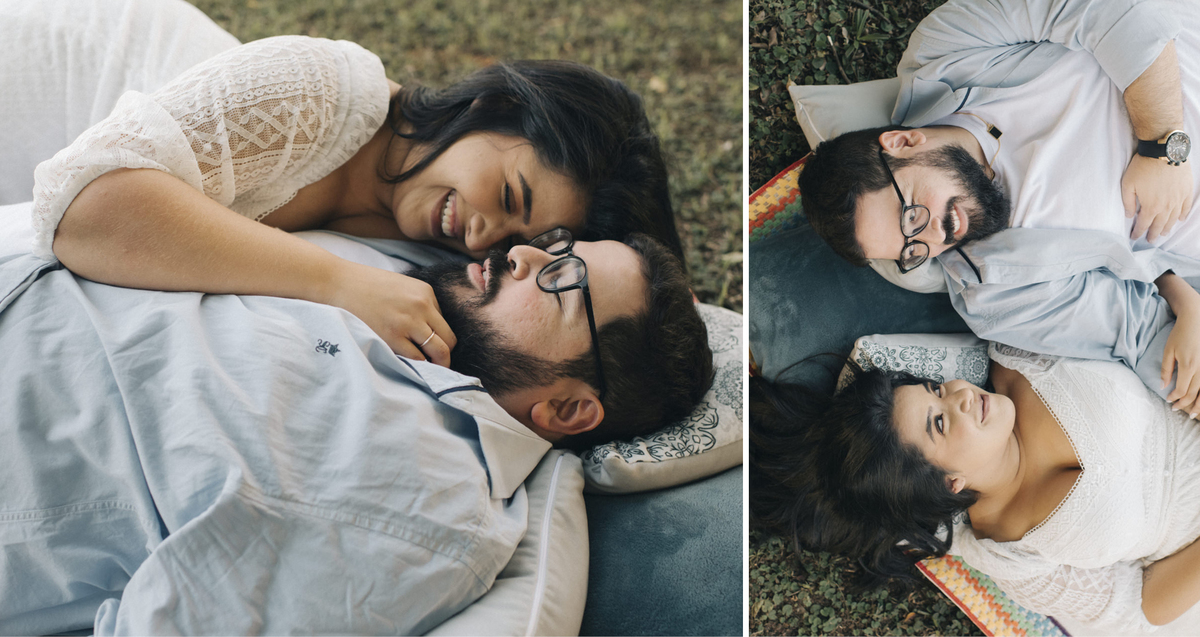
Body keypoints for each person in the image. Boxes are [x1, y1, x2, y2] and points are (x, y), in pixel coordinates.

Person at [0, 230, 713, 635]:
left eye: (564, 278)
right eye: (556, 244)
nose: (524, 253)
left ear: (567, 410)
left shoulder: (423, 508)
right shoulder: (409, 280)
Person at [28, 26, 680, 366]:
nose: (483, 237)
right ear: (495, 106)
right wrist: (339, 282)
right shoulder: (322, 90)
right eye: (509, 194)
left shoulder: (425, 239)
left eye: (516, 241)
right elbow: (83, 212)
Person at [795, 0, 1200, 413]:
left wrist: (1162, 146)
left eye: (912, 216)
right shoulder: (998, 297)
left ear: (903, 143)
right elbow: (1138, 332)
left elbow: (1112, 8)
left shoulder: (949, 49)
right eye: (912, 251)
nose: (937, 238)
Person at [750, 345, 1200, 634]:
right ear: (950, 483)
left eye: (936, 389)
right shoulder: (1008, 553)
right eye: (941, 423)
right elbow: (1140, 609)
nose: (961, 395)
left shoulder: (1018, 353)